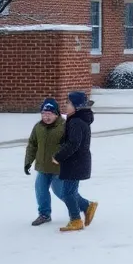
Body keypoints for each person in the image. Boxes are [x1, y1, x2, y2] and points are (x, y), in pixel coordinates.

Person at [52, 90, 98, 232]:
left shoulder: (76, 122)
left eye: (68, 103)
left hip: (75, 162)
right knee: (70, 191)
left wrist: (58, 156)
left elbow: (73, 143)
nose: (65, 105)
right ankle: (87, 206)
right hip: (77, 161)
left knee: (67, 193)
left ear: (76, 106)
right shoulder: (77, 119)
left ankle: (76, 220)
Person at [25, 98, 67, 226]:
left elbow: (70, 146)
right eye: (43, 114)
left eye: (49, 114)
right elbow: (32, 145)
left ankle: (84, 206)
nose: (46, 117)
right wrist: (28, 162)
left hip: (58, 168)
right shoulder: (38, 127)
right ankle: (44, 214)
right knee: (40, 190)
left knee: (62, 193)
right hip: (42, 167)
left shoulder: (64, 126)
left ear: (56, 114)